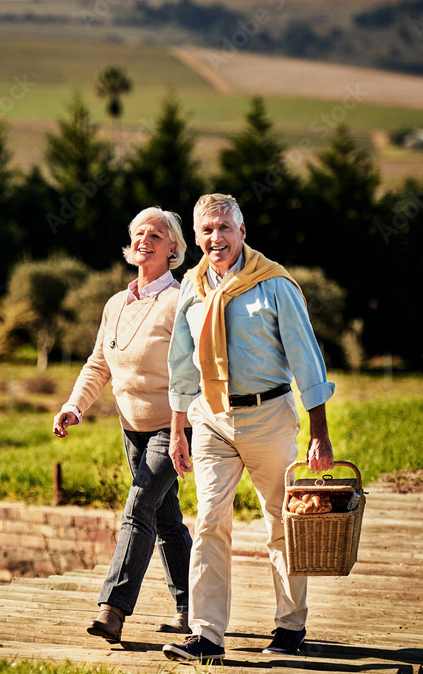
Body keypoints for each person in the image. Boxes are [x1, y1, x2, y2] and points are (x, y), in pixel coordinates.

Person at [162, 193, 335, 663]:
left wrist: (319, 433)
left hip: (268, 416)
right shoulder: (192, 290)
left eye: (224, 228)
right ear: (196, 239)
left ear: (242, 232)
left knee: (281, 521)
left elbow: (307, 360)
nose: (216, 238)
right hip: (211, 420)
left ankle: (290, 623)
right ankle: (206, 634)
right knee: (209, 523)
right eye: (207, 230)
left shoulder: (274, 284)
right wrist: (178, 430)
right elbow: (181, 366)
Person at [52, 206, 194, 642]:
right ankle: (194, 608)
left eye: (156, 234)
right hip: (130, 427)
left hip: (173, 425)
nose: (144, 239)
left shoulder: (180, 300)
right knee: (166, 519)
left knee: (137, 508)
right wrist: (74, 406)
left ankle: (113, 609)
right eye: (138, 232)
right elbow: (99, 364)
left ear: (174, 248)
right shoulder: (116, 303)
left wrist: (177, 429)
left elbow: (193, 370)